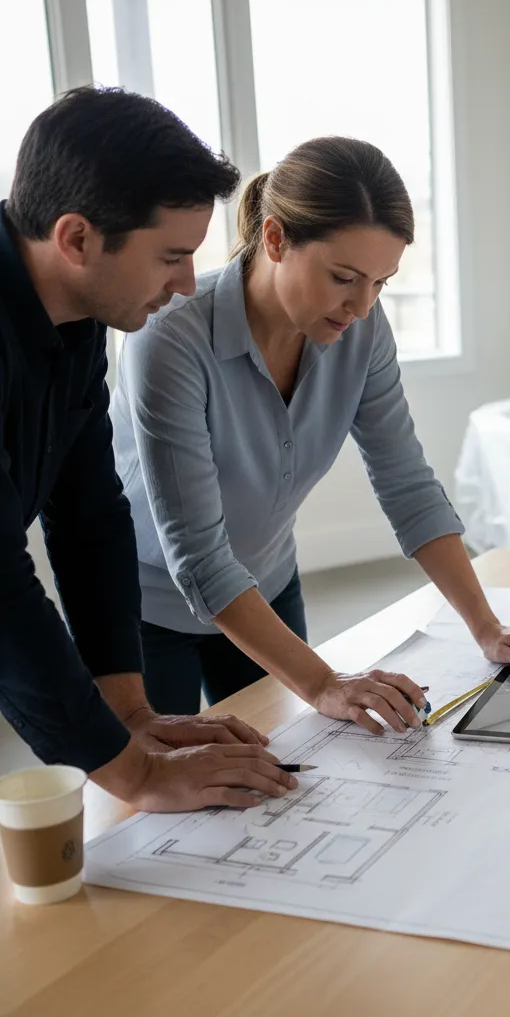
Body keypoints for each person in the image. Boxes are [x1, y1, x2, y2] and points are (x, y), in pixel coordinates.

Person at [112, 136, 510, 730]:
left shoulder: (361, 329)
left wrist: (488, 628)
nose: (361, 306)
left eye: (381, 282)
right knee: (154, 802)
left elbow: (407, 482)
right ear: (276, 239)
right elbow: (199, 556)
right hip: (147, 611)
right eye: (343, 277)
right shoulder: (170, 337)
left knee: (284, 774)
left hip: (265, 585)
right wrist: (324, 682)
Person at [0, 87, 296, 810]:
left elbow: (92, 515)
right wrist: (133, 773)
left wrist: (130, 713)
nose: (189, 283)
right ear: (76, 239)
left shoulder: (77, 318)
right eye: (171, 256)